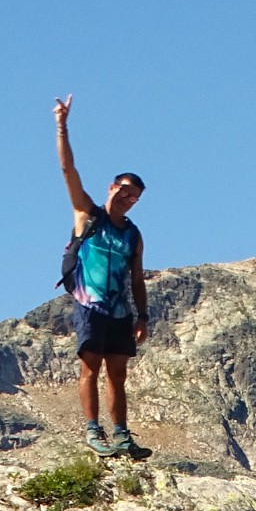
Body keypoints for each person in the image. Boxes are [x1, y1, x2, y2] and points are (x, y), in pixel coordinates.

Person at [53, 94, 151, 458]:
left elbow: (137, 279)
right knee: (90, 366)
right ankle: (93, 431)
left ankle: (122, 435)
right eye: (124, 192)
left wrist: (142, 316)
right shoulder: (87, 214)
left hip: (119, 310)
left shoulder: (133, 235)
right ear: (113, 188)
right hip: (89, 303)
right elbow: (68, 170)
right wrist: (62, 126)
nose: (127, 199)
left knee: (119, 374)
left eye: (134, 197)